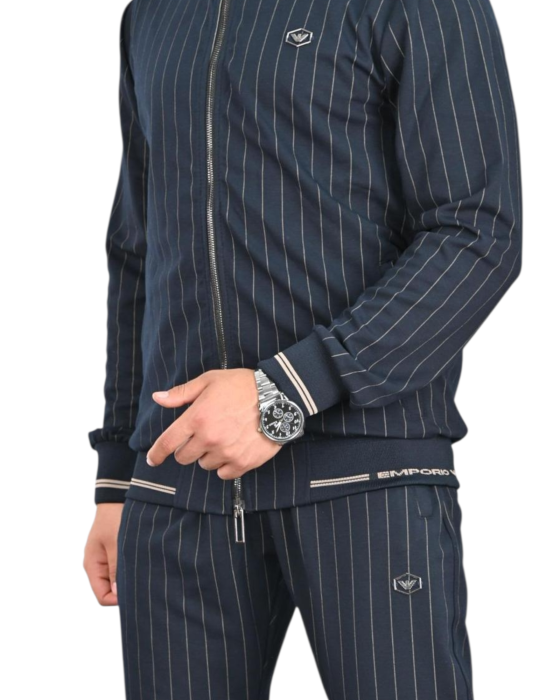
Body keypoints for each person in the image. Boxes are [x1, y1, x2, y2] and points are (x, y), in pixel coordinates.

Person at [83, 0, 522, 697]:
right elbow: (137, 251)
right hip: (179, 488)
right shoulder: (152, 15)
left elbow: (478, 232)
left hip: (365, 478)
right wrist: (117, 477)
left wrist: (283, 392)